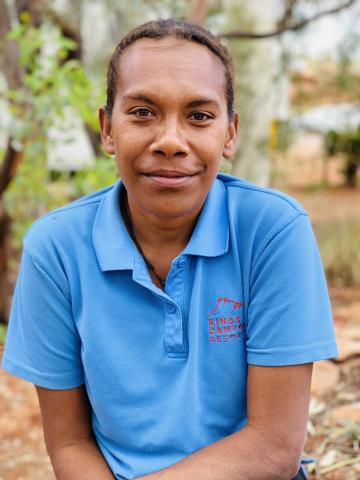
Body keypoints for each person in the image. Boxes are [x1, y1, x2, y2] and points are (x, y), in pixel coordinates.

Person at [1, 19, 338, 480]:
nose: (170, 142)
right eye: (142, 112)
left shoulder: (273, 231)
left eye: (199, 116)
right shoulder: (56, 248)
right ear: (107, 129)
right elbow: (70, 441)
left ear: (230, 133)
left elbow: (273, 447)